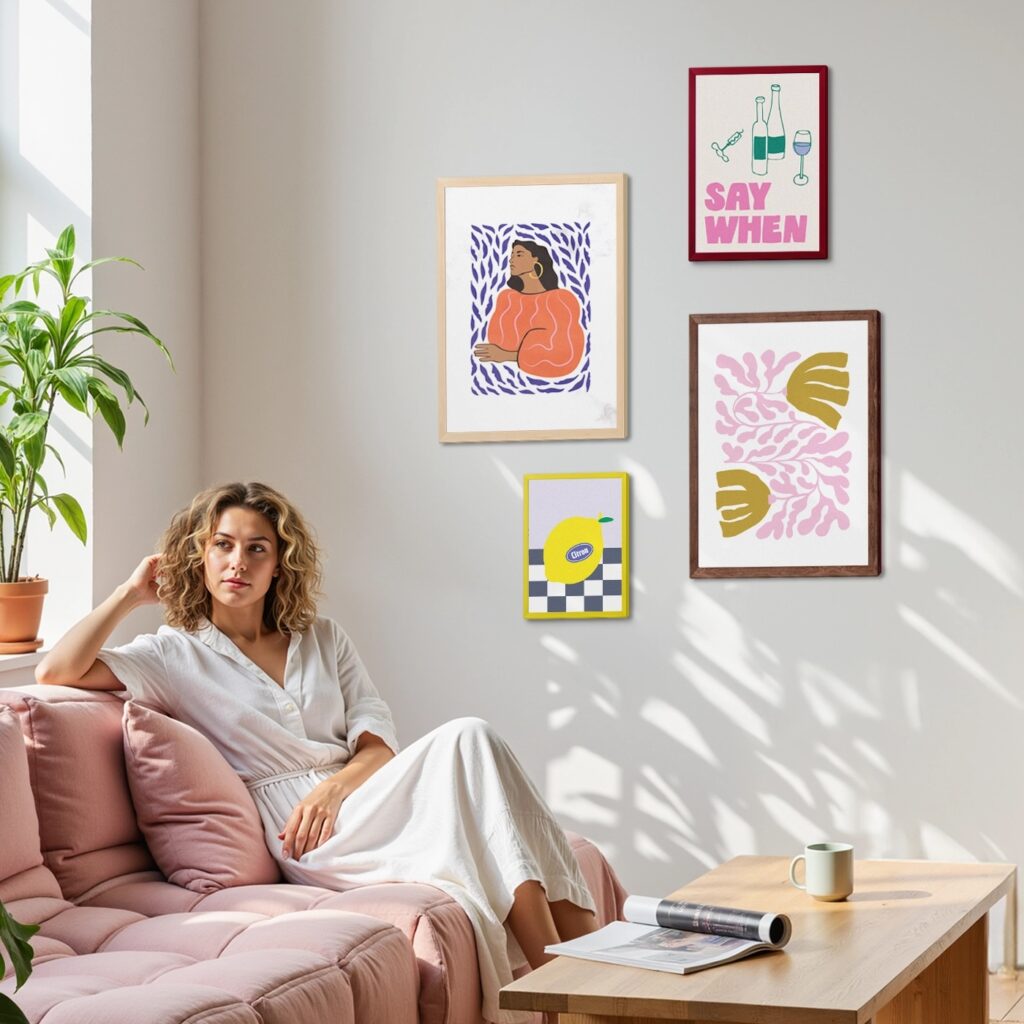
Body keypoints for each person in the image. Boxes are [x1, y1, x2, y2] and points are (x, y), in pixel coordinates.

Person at [36, 481, 598, 1024]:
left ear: (278, 563)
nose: (238, 562)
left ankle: (580, 990)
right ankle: (573, 990)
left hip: (357, 793)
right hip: (304, 832)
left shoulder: (323, 636)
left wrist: (334, 788)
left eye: (257, 548)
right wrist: (129, 594)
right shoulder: (172, 654)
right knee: (471, 745)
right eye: (223, 546)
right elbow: (56, 670)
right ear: (199, 557)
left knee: (476, 752)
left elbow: (377, 743)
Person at [473, 239, 586, 379]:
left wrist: (507, 355)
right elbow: (496, 341)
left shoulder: (560, 299)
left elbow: (565, 353)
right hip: (505, 378)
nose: (511, 260)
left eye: (519, 254)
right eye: (511, 255)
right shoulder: (507, 298)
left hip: (546, 384)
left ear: (535, 260)